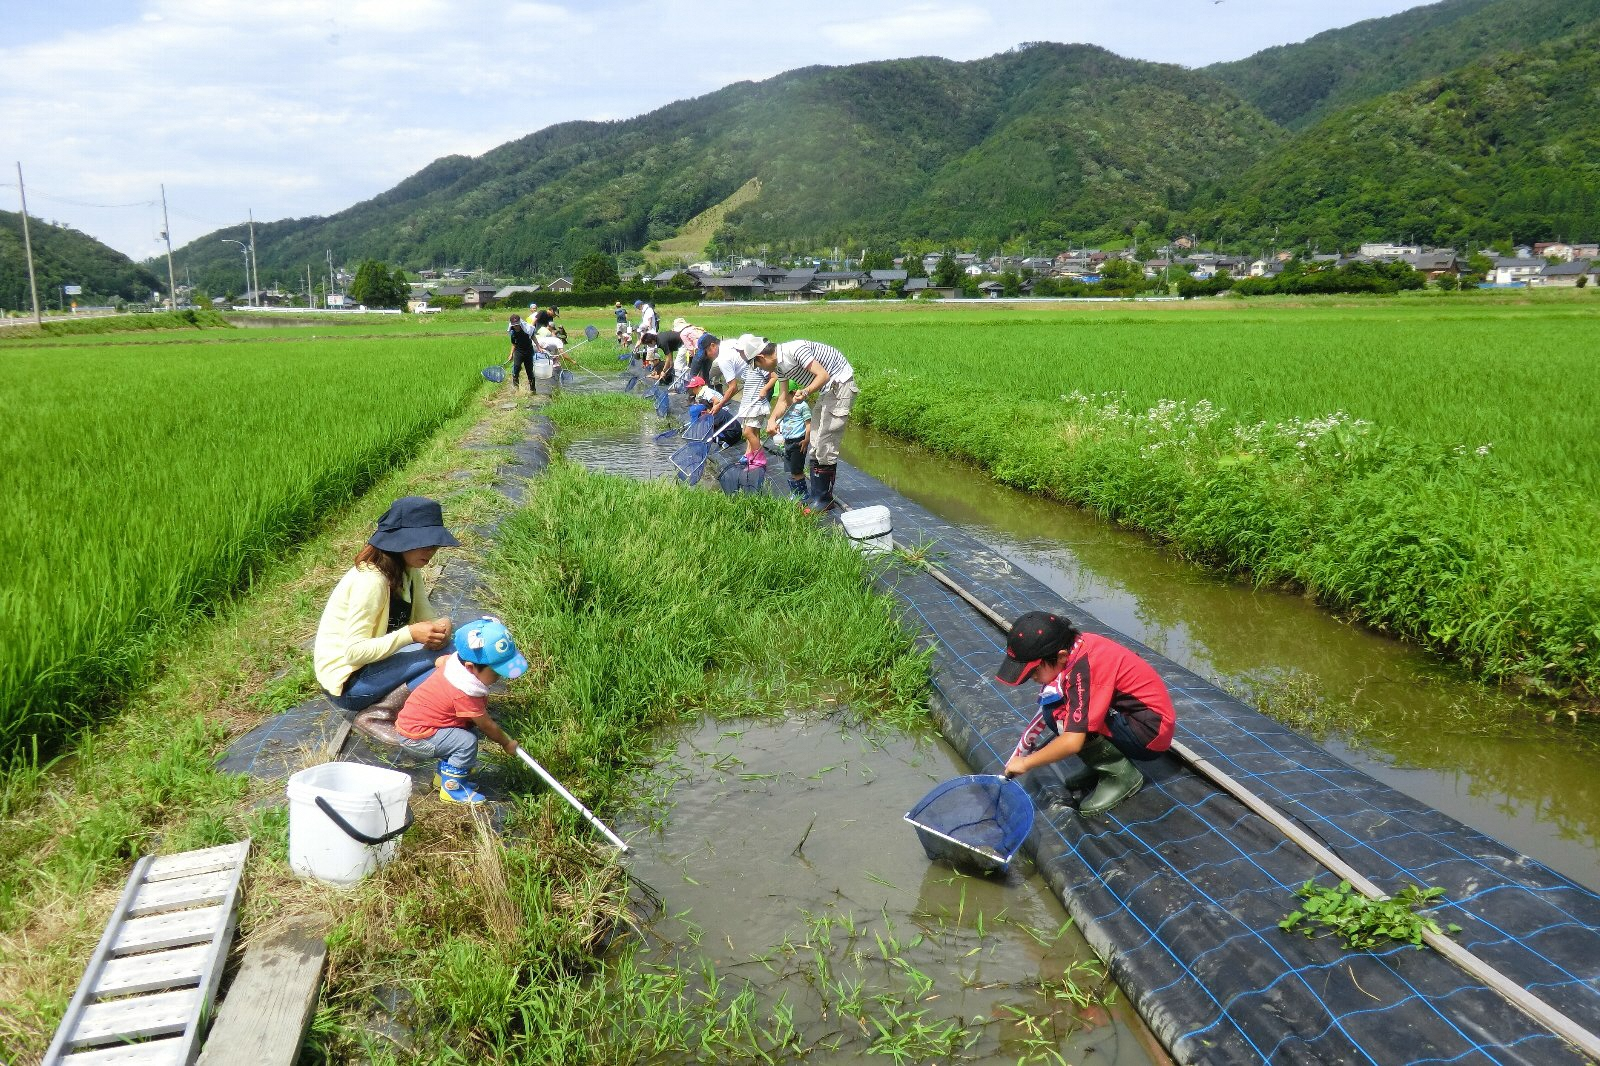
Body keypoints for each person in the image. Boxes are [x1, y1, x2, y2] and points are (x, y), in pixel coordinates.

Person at [995, 611, 1176, 817]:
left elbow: (1073, 742)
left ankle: (1120, 775)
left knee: (1057, 714)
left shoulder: (1086, 669)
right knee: (1058, 707)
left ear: (1061, 656)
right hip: (1134, 718)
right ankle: (1100, 763)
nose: (1033, 678)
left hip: (1149, 733)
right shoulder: (1078, 647)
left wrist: (1026, 762)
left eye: (1034, 672)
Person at [315, 498, 458, 727]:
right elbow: (354, 653)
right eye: (425, 543)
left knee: (454, 645)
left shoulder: (410, 569)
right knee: (452, 656)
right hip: (351, 684)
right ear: (402, 541)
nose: (432, 550)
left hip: (377, 666)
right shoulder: (371, 580)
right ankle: (378, 716)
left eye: (434, 544)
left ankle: (420, 708)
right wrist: (410, 634)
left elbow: (426, 618)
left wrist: (442, 625)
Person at [396, 616, 527, 806]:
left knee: (462, 733)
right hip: (417, 736)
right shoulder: (465, 693)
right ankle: (453, 788)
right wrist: (506, 743)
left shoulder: (456, 663)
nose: (500, 678)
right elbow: (487, 726)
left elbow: (440, 661)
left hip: (419, 725)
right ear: (470, 667)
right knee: (466, 742)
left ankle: (443, 778)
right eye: (496, 673)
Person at [755, 337, 857, 512]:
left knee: (825, 441)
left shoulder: (794, 350)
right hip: (826, 388)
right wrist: (772, 419)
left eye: (758, 365)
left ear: (761, 357)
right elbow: (783, 398)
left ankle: (824, 499)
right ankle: (816, 496)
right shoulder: (780, 367)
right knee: (815, 442)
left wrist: (806, 390)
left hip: (840, 383)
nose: (760, 369)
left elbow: (823, 375)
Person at [708, 335, 772, 469]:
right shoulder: (749, 365)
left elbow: (774, 376)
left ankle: (759, 458)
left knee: (748, 432)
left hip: (757, 404)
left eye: (741, 351)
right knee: (752, 431)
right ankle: (750, 455)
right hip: (748, 403)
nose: (739, 353)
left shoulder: (760, 364)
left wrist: (765, 389)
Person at [774, 385, 812, 499]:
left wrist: (806, 439)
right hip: (788, 441)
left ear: (793, 393)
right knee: (791, 469)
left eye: (784, 397)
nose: (781, 400)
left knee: (797, 469)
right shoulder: (785, 407)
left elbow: (808, 424)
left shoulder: (802, 406)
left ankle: (802, 494)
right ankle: (795, 493)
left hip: (799, 442)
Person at [506, 313, 538, 393]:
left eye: (517, 325)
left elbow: (533, 337)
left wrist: (538, 346)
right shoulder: (512, 332)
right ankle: (516, 389)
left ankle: (533, 389)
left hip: (528, 351)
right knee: (516, 368)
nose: (516, 326)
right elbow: (514, 344)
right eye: (514, 325)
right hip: (518, 351)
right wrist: (511, 354)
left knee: (529, 371)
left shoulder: (527, 329)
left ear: (520, 323)